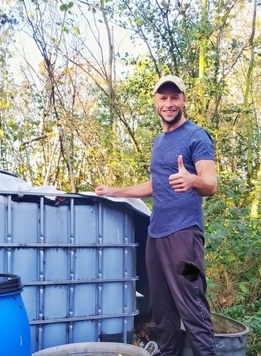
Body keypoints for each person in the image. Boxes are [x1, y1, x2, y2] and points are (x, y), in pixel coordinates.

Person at [95, 75, 217, 356]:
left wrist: (193, 181)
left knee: (192, 302)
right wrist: (115, 190)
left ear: (184, 100)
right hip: (157, 237)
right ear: (156, 101)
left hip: (184, 237)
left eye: (175, 97)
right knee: (161, 307)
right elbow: (154, 185)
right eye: (163, 98)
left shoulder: (196, 136)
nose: (169, 103)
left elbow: (210, 183)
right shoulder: (159, 141)